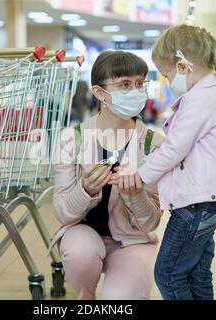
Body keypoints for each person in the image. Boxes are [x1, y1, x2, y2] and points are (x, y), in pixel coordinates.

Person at [111, 24, 216, 300]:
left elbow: (174, 150)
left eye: (165, 74)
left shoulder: (200, 99)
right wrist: (139, 168)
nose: (166, 81)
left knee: (168, 273)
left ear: (183, 66)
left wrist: (138, 174)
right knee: (197, 273)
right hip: (207, 204)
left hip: (194, 207)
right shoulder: (211, 92)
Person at [49, 51, 164, 300]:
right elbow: (62, 212)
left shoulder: (154, 145)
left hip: (133, 240)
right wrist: (85, 190)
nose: (135, 91)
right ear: (100, 93)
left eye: (139, 83)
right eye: (124, 84)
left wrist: (135, 196)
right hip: (82, 233)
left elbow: (150, 222)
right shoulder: (72, 139)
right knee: (81, 251)